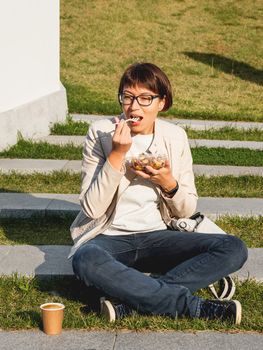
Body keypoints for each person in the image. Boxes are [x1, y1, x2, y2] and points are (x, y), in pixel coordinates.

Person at [70, 62, 248, 324]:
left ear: (161, 103)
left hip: (158, 235)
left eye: (145, 98)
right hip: (108, 237)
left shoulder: (175, 137)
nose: (134, 106)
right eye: (128, 97)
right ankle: (194, 307)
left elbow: (187, 210)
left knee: (234, 248)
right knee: (85, 259)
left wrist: (168, 183)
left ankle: (130, 303)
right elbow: (92, 209)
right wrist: (117, 155)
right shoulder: (101, 133)